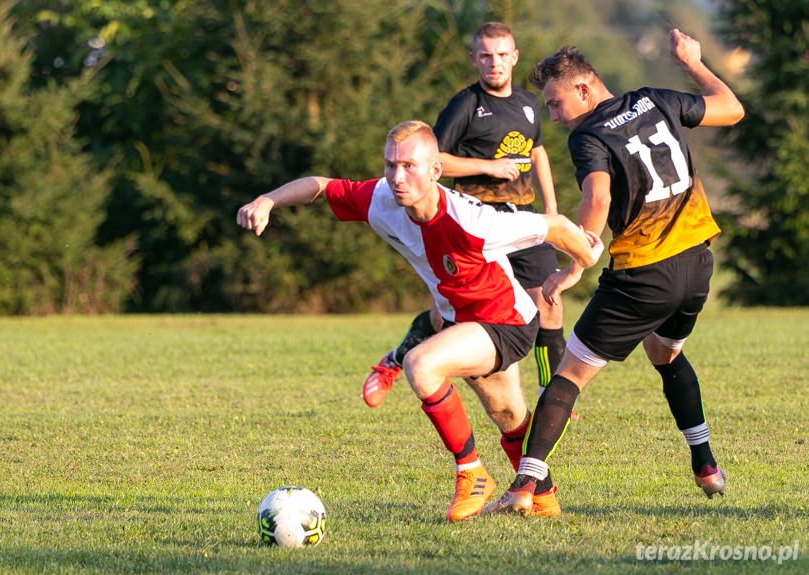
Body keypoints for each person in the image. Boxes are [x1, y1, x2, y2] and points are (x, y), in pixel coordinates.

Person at [238, 121, 603, 521]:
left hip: (508, 322)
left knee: (422, 364)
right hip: (459, 322)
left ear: (435, 171)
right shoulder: (381, 198)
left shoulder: (473, 222)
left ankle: (472, 474)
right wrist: (268, 200)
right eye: (390, 165)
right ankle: (544, 496)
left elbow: (556, 227)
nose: (397, 177)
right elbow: (321, 185)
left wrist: (580, 267)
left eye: (409, 166)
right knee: (508, 416)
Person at [483, 29, 744, 515]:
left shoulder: (589, 134)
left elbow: (598, 198)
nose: (555, 117)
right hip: (698, 265)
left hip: (643, 277)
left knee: (569, 375)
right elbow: (731, 108)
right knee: (665, 356)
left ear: (584, 89)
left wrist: (575, 265)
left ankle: (524, 487)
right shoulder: (655, 100)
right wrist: (692, 61)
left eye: (556, 104)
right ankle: (706, 466)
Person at [362, 22, 575, 424]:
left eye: (502, 55)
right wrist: (487, 167)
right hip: (477, 225)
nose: (494, 63)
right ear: (474, 60)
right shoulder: (465, 105)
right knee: (448, 315)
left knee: (549, 300)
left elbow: (538, 152)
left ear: (514, 57)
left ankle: (553, 395)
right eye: (485, 56)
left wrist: (551, 207)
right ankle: (395, 359)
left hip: (523, 218)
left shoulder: (530, 103)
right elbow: (435, 158)